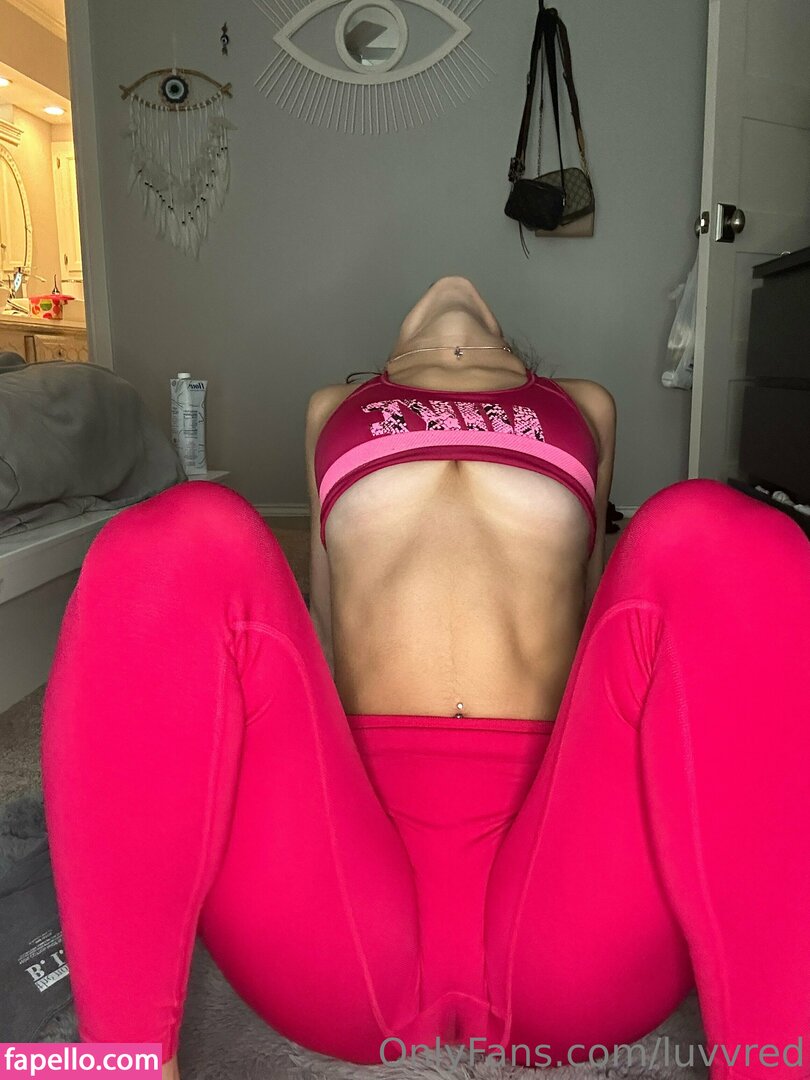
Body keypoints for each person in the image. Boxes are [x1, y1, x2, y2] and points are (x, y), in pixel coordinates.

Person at [41, 277, 810, 1080]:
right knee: (179, 534)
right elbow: (324, 636)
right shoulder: (331, 409)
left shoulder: (582, 404)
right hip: (341, 912)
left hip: (574, 899)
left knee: (718, 533)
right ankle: (122, 1063)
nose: (454, 281)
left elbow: (599, 624)